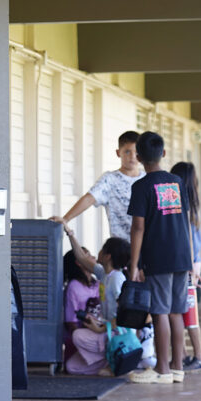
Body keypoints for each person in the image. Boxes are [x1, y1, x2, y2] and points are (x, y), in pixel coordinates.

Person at [127, 132, 193, 384]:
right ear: (163, 154)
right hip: (181, 257)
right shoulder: (176, 182)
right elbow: (185, 221)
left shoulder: (141, 187)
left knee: (160, 312)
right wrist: (190, 258)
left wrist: (134, 265)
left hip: (159, 257)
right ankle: (177, 368)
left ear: (139, 157)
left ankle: (162, 370)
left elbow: (138, 228)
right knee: (177, 312)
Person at [51, 131, 142, 241]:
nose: (132, 156)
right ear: (118, 153)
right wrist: (65, 219)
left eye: (136, 152)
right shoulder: (109, 180)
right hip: (121, 247)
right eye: (127, 151)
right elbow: (89, 198)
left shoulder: (147, 179)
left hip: (147, 245)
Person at [170, 162, 201, 371]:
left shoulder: (182, 205)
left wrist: (192, 267)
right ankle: (185, 354)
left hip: (187, 267)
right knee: (184, 313)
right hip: (192, 265)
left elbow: (188, 240)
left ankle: (200, 355)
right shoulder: (192, 204)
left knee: (188, 314)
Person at [61, 245, 106, 375]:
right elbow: (71, 323)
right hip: (85, 337)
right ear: (79, 262)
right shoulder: (74, 286)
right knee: (71, 367)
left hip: (102, 332)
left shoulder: (98, 283)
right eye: (88, 255)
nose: (93, 258)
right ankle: (107, 362)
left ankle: (106, 359)